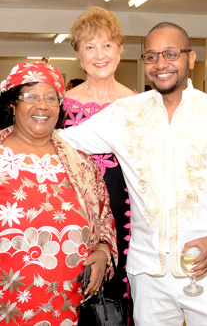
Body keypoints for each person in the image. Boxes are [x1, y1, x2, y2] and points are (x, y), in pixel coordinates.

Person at [58, 21, 207, 325]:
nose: (161, 65)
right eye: (151, 56)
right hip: (147, 273)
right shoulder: (125, 113)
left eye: (171, 54)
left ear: (191, 58)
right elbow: (62, 140)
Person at [0, 62, 117, 325]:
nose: (42, 106)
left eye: (51, 98)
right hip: (8, 303)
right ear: (12, 103)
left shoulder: (82, 165)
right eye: (30, 96)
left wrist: (102, 252)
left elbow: (104, 219)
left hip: (68, 306)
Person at [63, 6, 136, 324]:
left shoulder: (138, 105)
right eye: (89, 46)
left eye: (107, 45)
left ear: (120, 50)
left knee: (118, 303)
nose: (99, 54)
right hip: (75, 212)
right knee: (74, 291)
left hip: (128, 212)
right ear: (78, 55)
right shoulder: (61, 104)